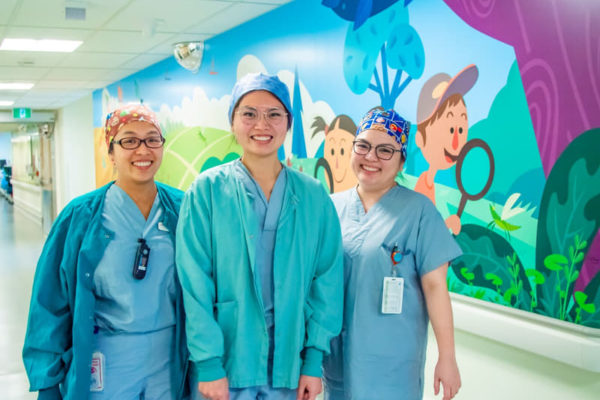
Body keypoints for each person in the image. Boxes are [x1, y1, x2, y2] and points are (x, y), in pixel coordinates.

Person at [176, 73, 343, 400]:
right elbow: (194, 281)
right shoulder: (207, 191)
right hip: (226, 363)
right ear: (233, 123)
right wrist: (209, 364)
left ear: (288, 123)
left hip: (290, 366)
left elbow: (327, 280)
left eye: (274, 114)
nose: (261, 125)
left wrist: (312, 361)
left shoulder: (313, 196)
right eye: (249, 114)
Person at [22, 104, 189, 400]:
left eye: (152, 139)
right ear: (110, 152)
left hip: (169, 359)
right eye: (129, 141)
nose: (143, 150)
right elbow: (50, 301)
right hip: (107, 358)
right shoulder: (81, 216)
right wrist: (47, 381)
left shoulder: (183, 209)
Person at [323, 108, 462, 400]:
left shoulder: (420, 212)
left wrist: (447, 357)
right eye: (363, 146)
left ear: (401, 162)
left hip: (393, 368)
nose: (371, 157)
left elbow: (436, 288)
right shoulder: (329, 208)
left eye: (385, 150)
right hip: (336, 362)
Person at [414, 64, 478, 235]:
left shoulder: (430, 183)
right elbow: (422, 233)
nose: (456, 143)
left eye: (461, 130)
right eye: (449, 130)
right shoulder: (423, 185)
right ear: (420, 138)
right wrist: (448, 223)